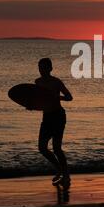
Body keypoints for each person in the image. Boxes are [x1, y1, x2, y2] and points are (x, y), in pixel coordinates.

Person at [33, 57, 73, 186]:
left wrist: (57, 97)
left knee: (56, 148)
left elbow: (69, 97)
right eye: (40, 68)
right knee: (42, 148)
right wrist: (31, 105)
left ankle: (65, 175)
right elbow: (38, 100)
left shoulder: (56, 82)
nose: (42, 70)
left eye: (44, 68)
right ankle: (59, 170)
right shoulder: (37, 82)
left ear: (50, 68)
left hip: (58, 116)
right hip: (47, 117)